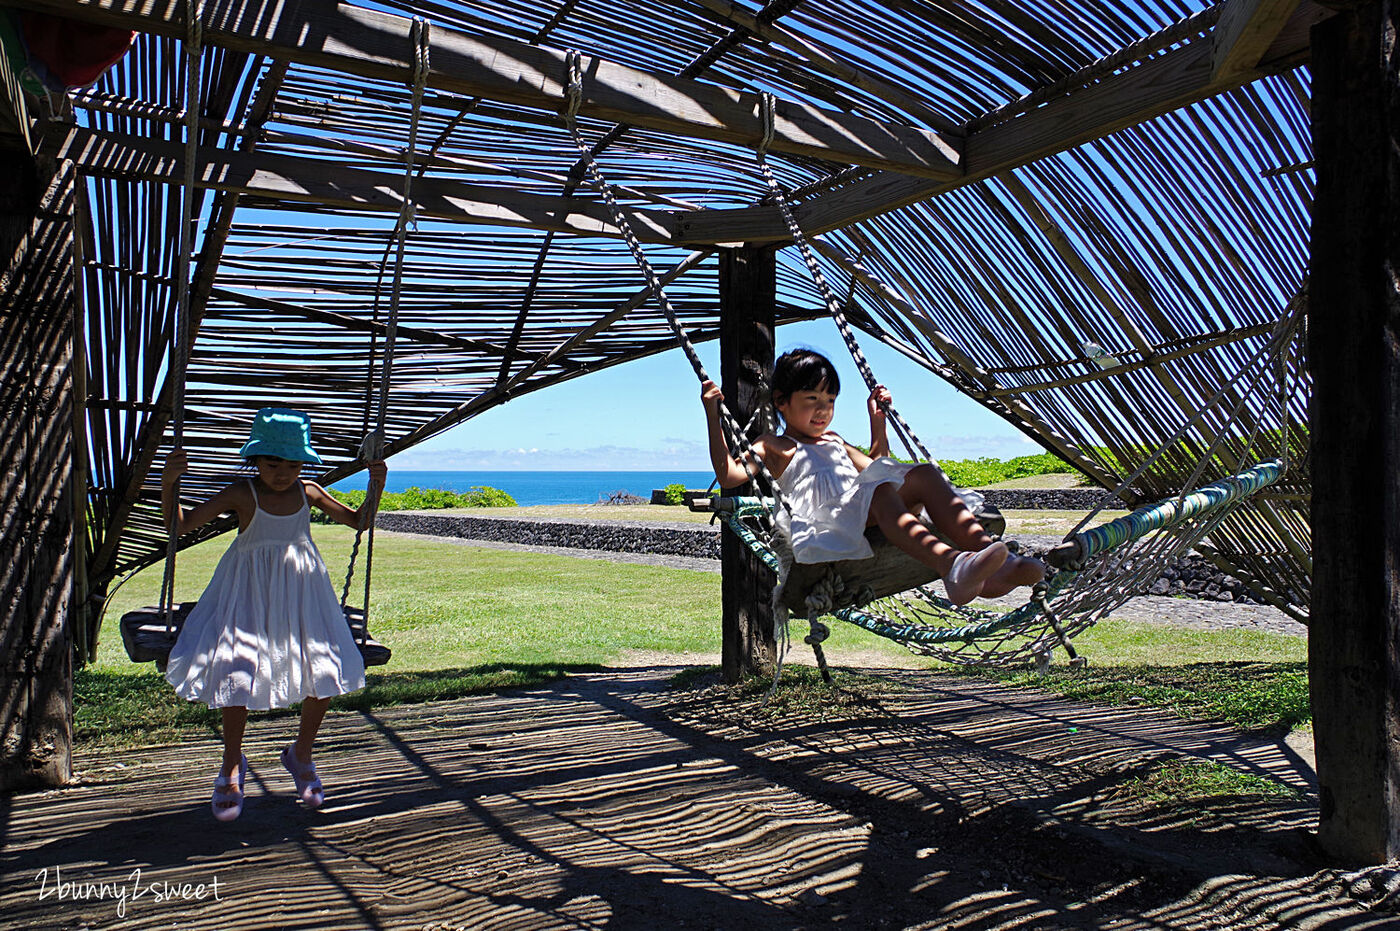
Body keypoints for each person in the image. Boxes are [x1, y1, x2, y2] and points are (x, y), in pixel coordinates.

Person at [161, 408, 387, 821]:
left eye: (293, 464)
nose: (282, 473)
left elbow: (360, 522)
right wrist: (169, 483)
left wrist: (377, 486)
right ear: (255, 460)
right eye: (272, 463)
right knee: (236, 676)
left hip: (303, 594)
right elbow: (181, 525)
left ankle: (301, 754)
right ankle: (232, 762)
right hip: (246, 595)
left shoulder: (310, 492)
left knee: (324, 672)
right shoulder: (241, 494)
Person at [701, 349, 1045, 606]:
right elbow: (730, 476)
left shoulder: (834, 441)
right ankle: (951, 564)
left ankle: (995, 563)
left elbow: (879, 467)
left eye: (830, 400)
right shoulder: (774, 445)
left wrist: (876, 419)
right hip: (826, 523)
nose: (823, 410)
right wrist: (713, 416)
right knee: (881, 492)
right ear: (781, 402)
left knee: (922, 474)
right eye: (811, 399)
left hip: (864, 510)